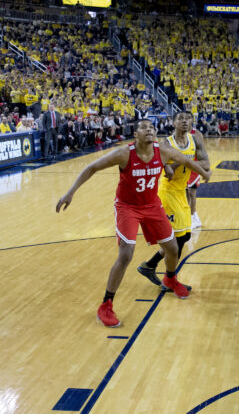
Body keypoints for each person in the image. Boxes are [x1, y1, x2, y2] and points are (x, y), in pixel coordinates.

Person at [56, 119, 211, 327]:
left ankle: (170, 279)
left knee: (173, 248)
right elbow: (92, 167)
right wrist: (70, 192)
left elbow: (187, 161)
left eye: (152, 128)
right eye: (144, 128)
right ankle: (106, 304)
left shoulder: (163, 151)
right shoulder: (124, 154)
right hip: (127, 207)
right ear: (135, 135)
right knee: (126, 253)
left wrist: (204, 173)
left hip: (152, 205)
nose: (149, 130)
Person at [137, 112, 210, 289]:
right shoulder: (166, 144)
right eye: (180, 118)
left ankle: (150, 265)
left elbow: (206, 164)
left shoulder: (196, 139)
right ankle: (170, 279)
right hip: (167, 192)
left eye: (188, 118)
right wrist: (188, 162)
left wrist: (178, 162)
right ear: (173, 122)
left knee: (184, 236)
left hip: (181, 191)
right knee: (177, 237)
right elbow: (160, 167)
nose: (185, 121)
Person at [186, 125, 206, 229]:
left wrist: (203, 168)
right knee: (185, 193)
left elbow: (202, 152)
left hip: (194, 165)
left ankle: (193, 216)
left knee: (191, 192)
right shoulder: (177, 133)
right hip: (183, 166)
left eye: (188, 118)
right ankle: (189, 216)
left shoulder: (197, 134)